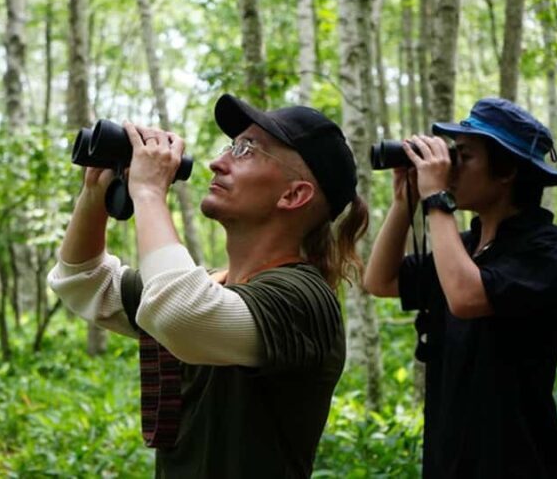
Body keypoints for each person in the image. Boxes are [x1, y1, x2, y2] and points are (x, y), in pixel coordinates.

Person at [48, 93, 369, 478]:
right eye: (231, 146)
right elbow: (83, 282)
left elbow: (180, 312)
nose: (218, 162)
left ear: (294, 194)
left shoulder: (304, 297)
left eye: (247, 150)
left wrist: (148, 192)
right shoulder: (217, 286)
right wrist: (94, 193)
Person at [363, 97, 557, 478]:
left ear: (507, 169)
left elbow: (466, 297)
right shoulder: (463, 246)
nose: (450, 168)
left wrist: (436, 200)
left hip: (520, 463)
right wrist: (405, 201)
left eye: (463, 156)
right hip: (451, 462)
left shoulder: (547, 247)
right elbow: (380, 280)